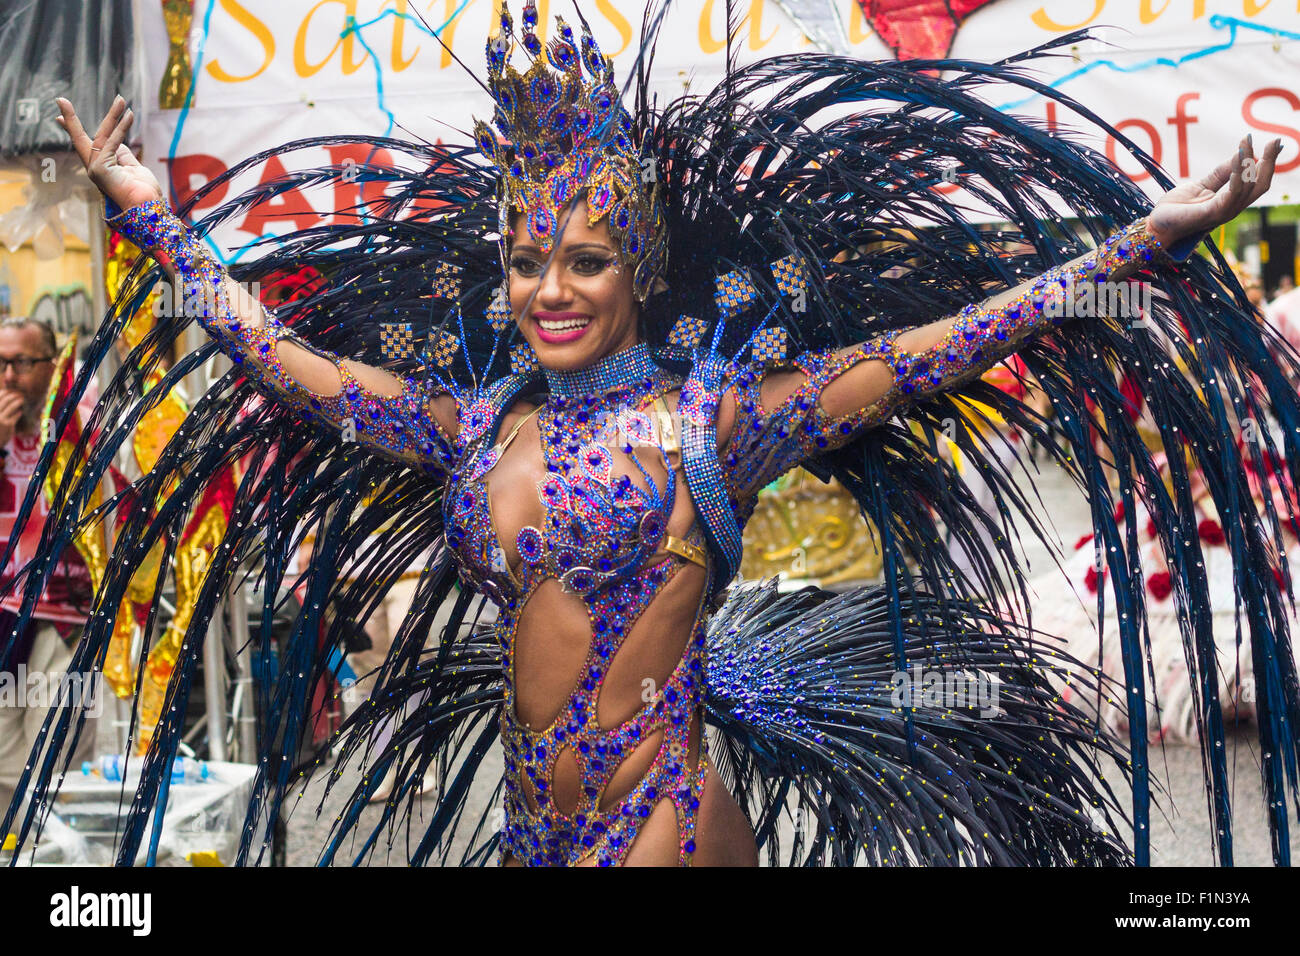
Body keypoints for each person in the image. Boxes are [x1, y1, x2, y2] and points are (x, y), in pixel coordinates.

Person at [9, 6, 1299, 867]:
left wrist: (1148, 240)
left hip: (664, 827)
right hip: (533, 830)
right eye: (527, 262)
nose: (551, 289)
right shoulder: (467, 425)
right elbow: (284, 364)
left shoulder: (717, 422)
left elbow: (937, 348)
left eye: (583, 259)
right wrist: (147, 213)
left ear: (638, 266)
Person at [0, 317, 98, 809]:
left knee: (55, 766)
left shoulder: (79, 414)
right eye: (0, 364)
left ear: (52, 364)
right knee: (2, 766)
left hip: (64, 614)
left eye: (21, 363)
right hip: (2, 618)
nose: (8, 377)